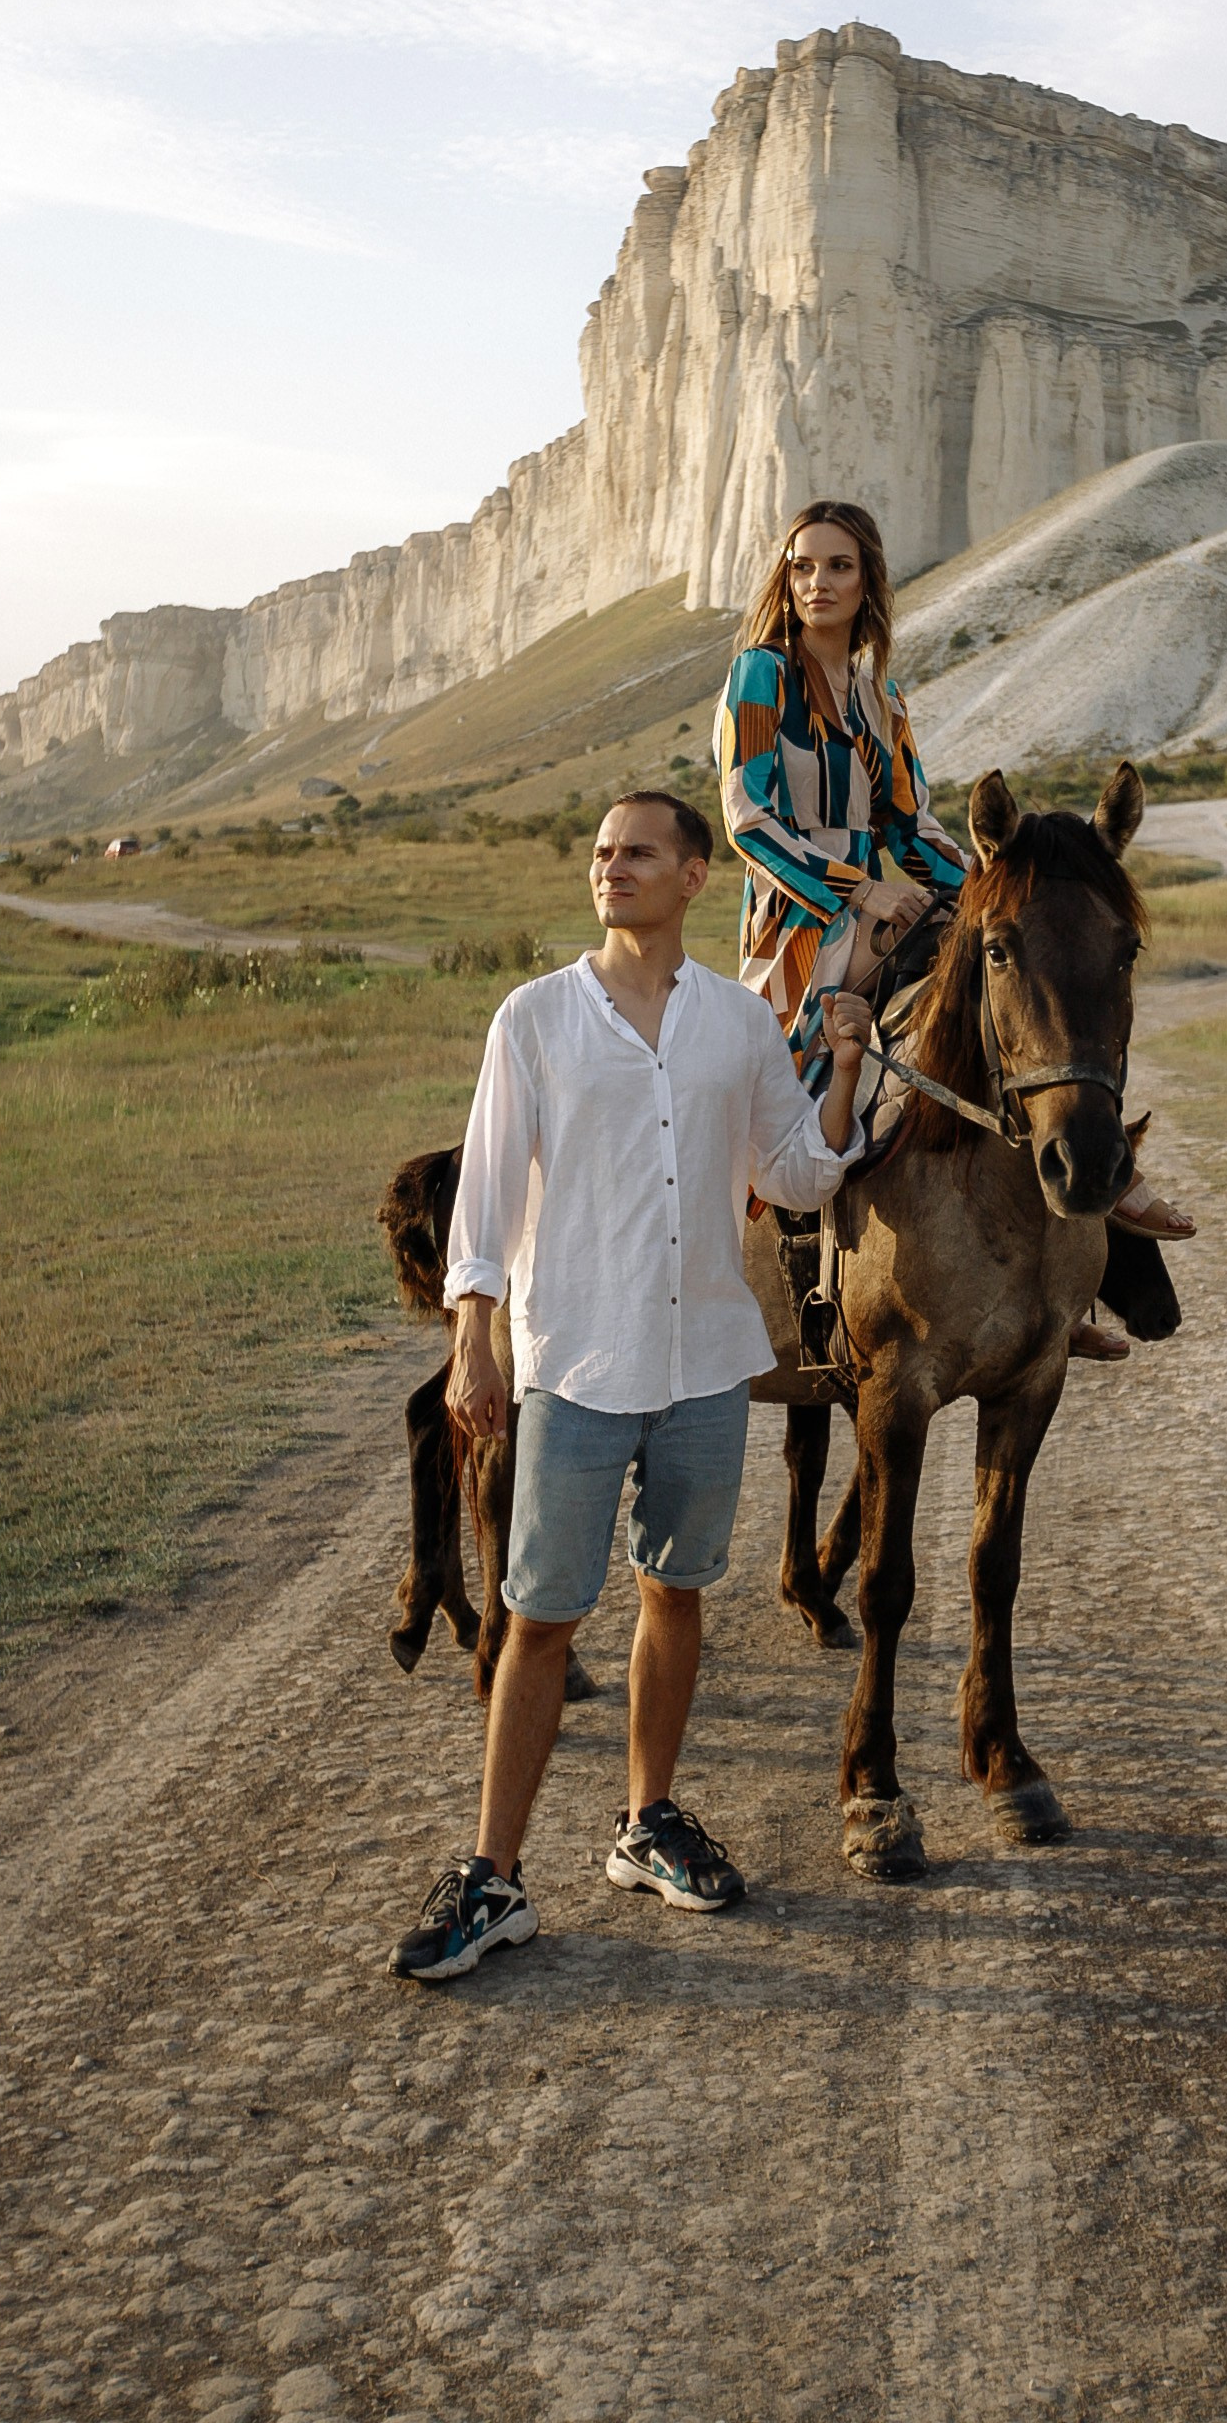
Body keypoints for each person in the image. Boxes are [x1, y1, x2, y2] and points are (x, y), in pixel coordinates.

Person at [386, 789, 874, 1985]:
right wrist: (474, 1336)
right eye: (600, 852)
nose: (611, 868)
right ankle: (493, 1877)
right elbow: (489, 1192)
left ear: (694, 876)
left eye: (637, 853)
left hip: (705, 1362)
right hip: (579, 1363)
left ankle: (645, 1826)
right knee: (541, 1616)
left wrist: (849, 1061)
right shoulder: (537, 1017)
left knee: (676, 1594)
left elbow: (799, 1176)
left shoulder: (739, 1023)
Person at [714, 500, 1194, 1356]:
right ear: (785, 583)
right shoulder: (763, 675)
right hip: (799, 921)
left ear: (869, 584)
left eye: (838, 566)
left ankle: (1045, 1284)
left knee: (1024, 997)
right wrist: (863, 894)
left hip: (880, 905)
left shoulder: (879, 696)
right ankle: (821, 1276)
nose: (817, 583)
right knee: (812, 1075)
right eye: (801, 567)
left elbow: (911, 823)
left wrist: (995, 889)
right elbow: (748, 818)